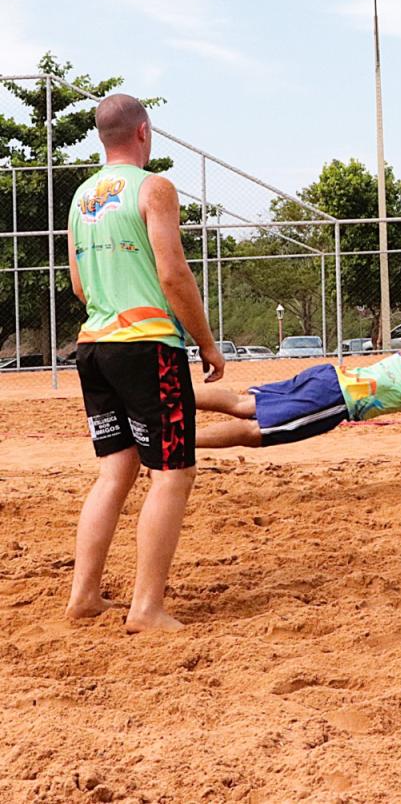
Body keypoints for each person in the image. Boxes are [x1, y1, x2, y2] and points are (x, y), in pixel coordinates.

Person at [65, 94, 225, 633]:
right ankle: (147, 607)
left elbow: (80, 285)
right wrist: (206, 343)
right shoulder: (154, 188)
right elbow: (173, 273)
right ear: (143, 131)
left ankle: (84, 596)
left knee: (115, 471)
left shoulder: (81, 197)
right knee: (173, 474)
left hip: (94, 344)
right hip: (147, 344)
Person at [194, 317, 401, 472]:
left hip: (328, 376)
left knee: (243, 404)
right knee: (258, 433)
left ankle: (172, 396)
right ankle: (180, 440)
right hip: (335, 399)